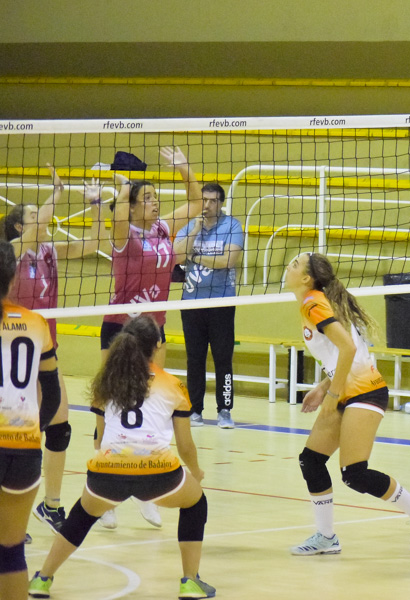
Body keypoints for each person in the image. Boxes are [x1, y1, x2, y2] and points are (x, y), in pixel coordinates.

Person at [28, 316, 214, 599]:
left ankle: (43, 578)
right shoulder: (173, 385)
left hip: (107, 472)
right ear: (157, 346)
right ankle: (190, 581)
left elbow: (100, 439)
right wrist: (196, 472)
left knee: (82, 515)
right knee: (196, 502)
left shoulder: (107, 383)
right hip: (159, 474)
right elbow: (185, 445)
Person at [285, 252, 410, 556]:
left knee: (354, 473)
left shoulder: (312, 303)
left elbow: (347, 347)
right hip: (346, 390)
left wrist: (331, 397)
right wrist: (323, 387)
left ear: (306, 278)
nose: (287, 267)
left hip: (365, 392)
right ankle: (326, 537)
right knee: (312, 460)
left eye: (294, 264)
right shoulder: (315, 301)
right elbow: (346, 353)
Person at [97, 146, 203, 530]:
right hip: (120, 328)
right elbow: (120, 212)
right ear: (134, 205)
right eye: (149, 198)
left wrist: (183, 168)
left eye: (158, 197)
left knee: (150, 407)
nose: (156, 203)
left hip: (152, 330)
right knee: (108, 410)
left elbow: (194, 202)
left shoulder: (162, 229)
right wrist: (123, 187)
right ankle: (106, 496)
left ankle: (148, 493)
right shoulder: (124, 235)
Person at [2, 166, 106, 539]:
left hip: (48, 350)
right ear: (19, 227)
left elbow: (95, 243)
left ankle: (51, 504)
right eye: (32, 216)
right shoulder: (13, 251)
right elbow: (33, 230)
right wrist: (56, 193)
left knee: (59, 428)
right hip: (13, 355)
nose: (42, 219)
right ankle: (9, 513)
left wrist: (95, 205)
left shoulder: (50, 250)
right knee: (12, 436)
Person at [0, 240, 62, 600]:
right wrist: (32, 428)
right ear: (12, 280)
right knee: (11, 550)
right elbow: (51, 394)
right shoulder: (36, 324)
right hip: (25, 452)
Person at [173, 183, 244, 429]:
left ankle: (225, 410)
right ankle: (195, 410)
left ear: (221, 203)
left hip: (222, 302)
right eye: (204, 200)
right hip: (192, 303)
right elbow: (176, 255)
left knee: (223, 358)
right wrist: (194, 231)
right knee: (195, 358)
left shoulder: (232, 226)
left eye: (213, 201)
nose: (207, 205)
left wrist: (194, 257)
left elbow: (227, 260)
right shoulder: (190, 225)